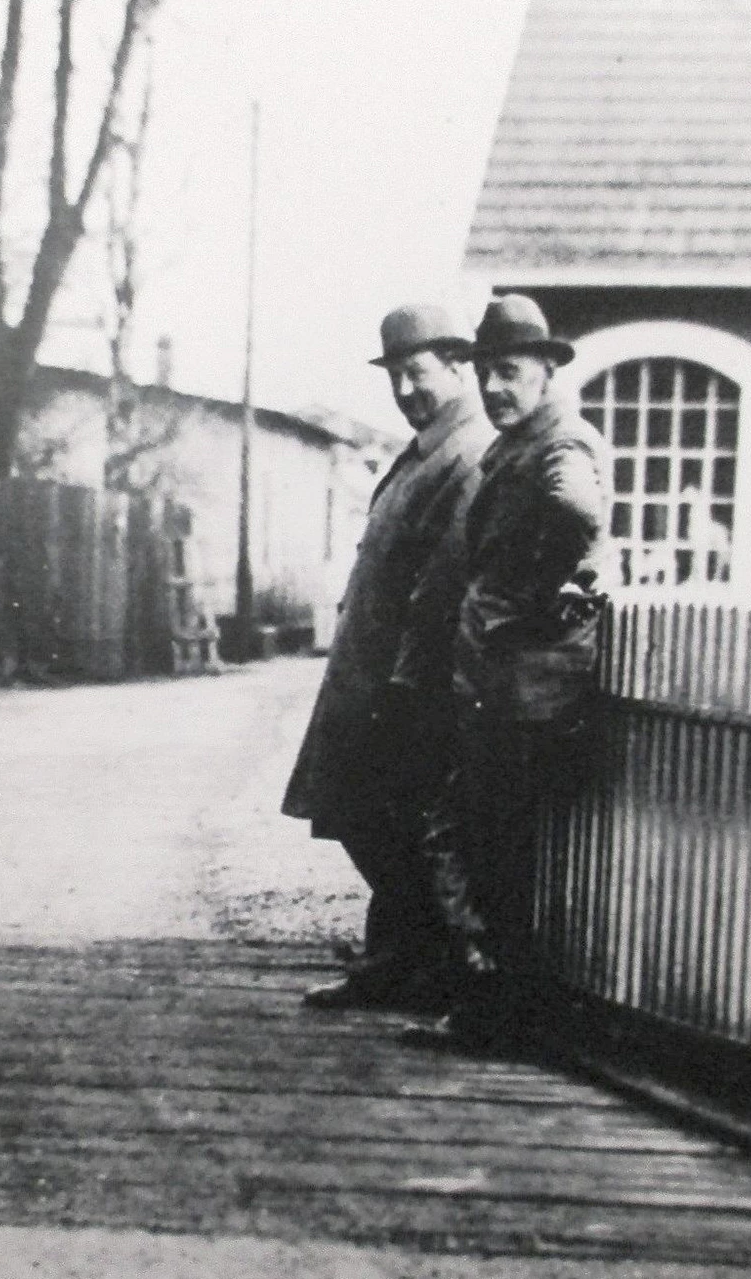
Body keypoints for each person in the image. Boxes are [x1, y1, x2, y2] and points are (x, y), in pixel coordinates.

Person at [282, 304, 496, 1010]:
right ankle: (392, 960)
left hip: (403, 678)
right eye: (397, 377)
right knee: (358, 810)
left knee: (385, 816)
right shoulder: (424, 448)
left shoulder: (465, 454)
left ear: (461, 365)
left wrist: (406, 682)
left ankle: (421, 965)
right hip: (369, 665)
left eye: (419, 373)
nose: (406, 390)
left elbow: (441, 584)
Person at [413, 293, 607, 1053]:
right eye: (486, 373)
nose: (495, 388)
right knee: (477, 839)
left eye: (510, 372)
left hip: (524, 690)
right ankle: (490, 1004)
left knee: (494, 848)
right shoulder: (517, 441)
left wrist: (546, 592)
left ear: (546, 370)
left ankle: (500, 1012)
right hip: (497, 682)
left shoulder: (560, 443)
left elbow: (578, 512)